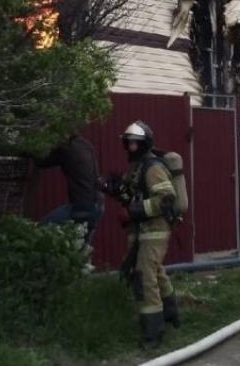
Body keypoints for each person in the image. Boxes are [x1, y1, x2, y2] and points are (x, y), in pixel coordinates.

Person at [101, 121, 179, 350]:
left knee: (144, 275)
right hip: (142, 230)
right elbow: (131, 193)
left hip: (155, 229)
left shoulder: (152, 167)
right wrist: (111, 187)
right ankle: (171, 314)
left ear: (144, 143)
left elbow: (166, 199)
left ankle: (153, 334)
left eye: (135, 142)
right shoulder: (136, 168)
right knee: (155, 271)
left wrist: (131, 211)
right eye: (128, 142)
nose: (131, 146)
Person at [36, 133, 104, 246]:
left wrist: (28, 150)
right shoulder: (86, 144)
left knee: (41, 228)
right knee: (82, 248)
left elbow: (42, 161)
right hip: (98, 205)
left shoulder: (66, 148)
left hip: (81, 206)